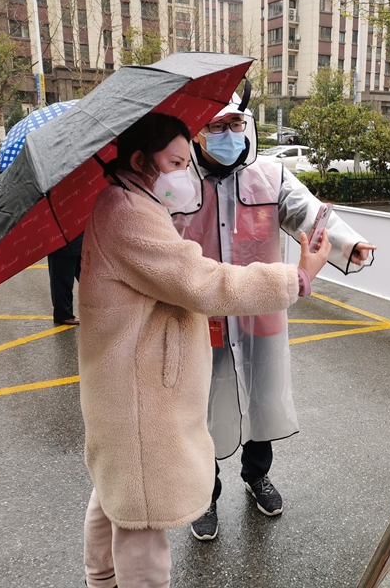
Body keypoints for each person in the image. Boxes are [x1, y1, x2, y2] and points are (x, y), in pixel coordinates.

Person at [78, 112, 331, 588]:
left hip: (122, 386)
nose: (184, 172)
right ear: (140, 160)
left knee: (117, 494)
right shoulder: (129, 212)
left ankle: (101, 579)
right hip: (137, 395)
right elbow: (202, 282)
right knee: (141, 519)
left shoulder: (128, 200)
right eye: (175, 162)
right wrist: (297, 278)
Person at [171, 89, 376, 541]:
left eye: (235, 124)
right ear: (197, 132)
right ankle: (204, 494)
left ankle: (256, 475)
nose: (228, 134)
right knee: (202, 408)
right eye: (217, 126)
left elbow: (308, 213)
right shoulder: (177, 182)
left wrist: (349, 243)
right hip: (202, 316)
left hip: (259, 313)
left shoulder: (268, 175)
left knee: (260, 396)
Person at [47, 235, 82, 325]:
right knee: (62, 280)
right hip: (61, 242)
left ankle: (99, 308)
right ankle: (64, 315)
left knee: (88, 278)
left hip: (77, 240)